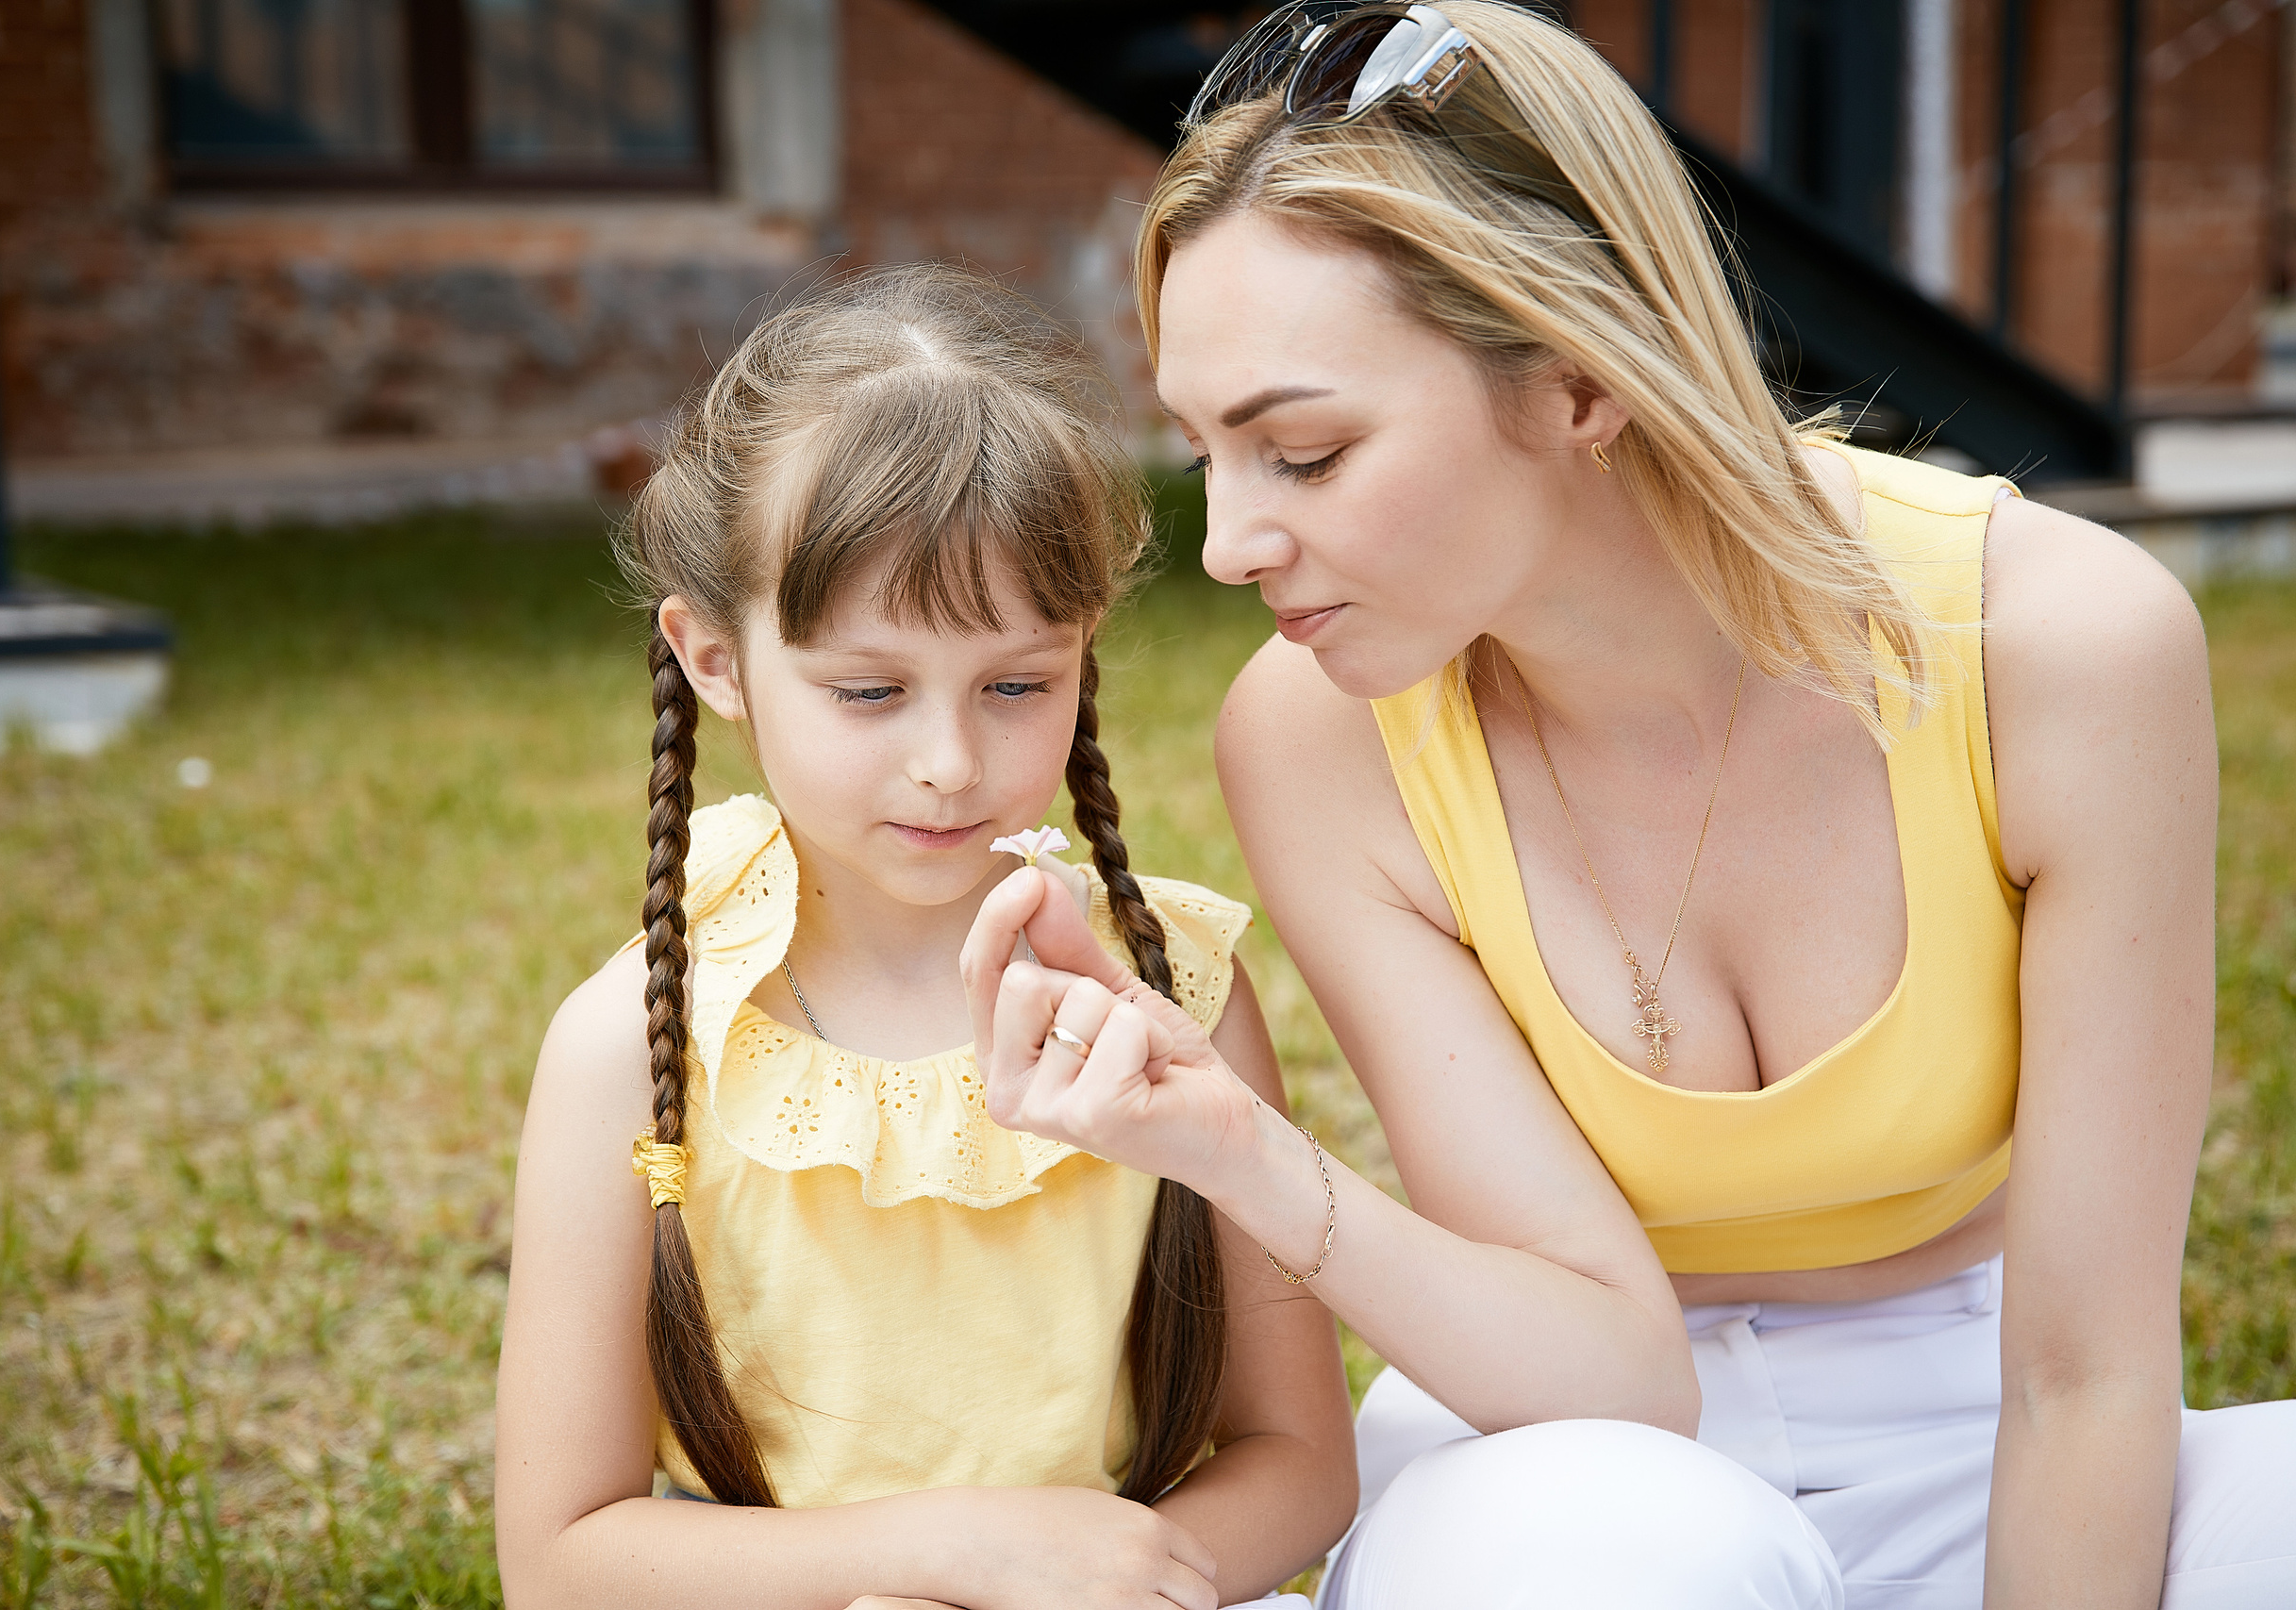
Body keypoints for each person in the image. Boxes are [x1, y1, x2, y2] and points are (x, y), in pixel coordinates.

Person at [962, 6, 2296, 1606]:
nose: (1233, 542)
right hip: (1573, 1453)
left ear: (1581, 385)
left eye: (1302, 455)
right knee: (1630, 1556)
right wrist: (1229, 1142)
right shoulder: (1321, 738)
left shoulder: (2061, 649)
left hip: (1988, 1403)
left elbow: (2085, 1377)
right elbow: (1600, 1362)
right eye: (1205, 451)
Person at [493, 265, 1356, 1610]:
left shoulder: (1173, 996)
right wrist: (952, 1558)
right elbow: (560, 1558)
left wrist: (1109, 1581)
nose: (951, 762)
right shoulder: (633, 1045)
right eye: (869, 690)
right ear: (715, 659)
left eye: (1019, 682)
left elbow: (1297, 1458)